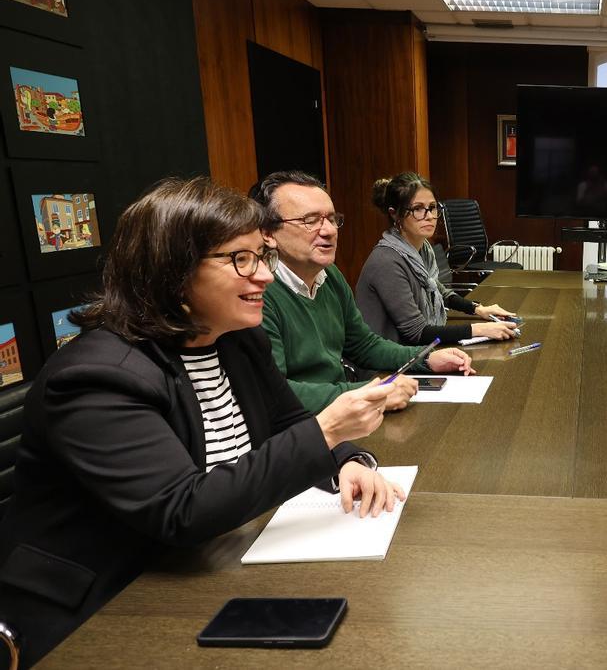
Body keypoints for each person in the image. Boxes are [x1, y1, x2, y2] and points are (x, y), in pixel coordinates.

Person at [0, 178, 408, 667]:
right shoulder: (97, 377)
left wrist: (348, 461)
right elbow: (182, 510)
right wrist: (329, 432)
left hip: (210, 565)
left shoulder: (235, 339)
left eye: (263, 257)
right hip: (106, 603)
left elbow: (287, 420)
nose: (266, 277)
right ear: (172, 271)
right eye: (241, 260)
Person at [250, 170, 474, 413]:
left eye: (332, 219)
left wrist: (426, 358)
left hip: (342, 413)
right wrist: (368, 393)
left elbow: (363, 345)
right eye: (310, 220)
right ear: (268, 233)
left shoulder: (330, 275)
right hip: (303, 426)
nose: (329, 230)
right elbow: (274, 393)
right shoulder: (257, 292)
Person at [356, 173, 519, 345]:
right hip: (387, 366)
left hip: (415, 351)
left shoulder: (423, 249)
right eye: (418, 209)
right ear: (395, 214)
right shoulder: (386, 261)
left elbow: (439, 290)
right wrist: (478, 329)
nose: (429, 216)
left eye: (432, 207)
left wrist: (479, 309)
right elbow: (416, 331)